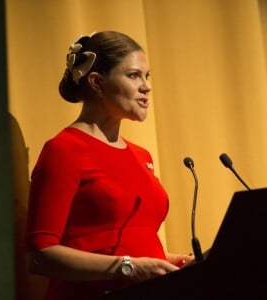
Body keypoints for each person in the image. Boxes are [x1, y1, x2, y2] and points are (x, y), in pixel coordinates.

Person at [25, 31, 194, 300]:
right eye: (133, 75)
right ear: (97, 82)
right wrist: (129, 267)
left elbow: (133, 244)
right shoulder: (64, 150)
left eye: (147, 76)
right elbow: (40, 256)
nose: (146, 86)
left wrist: (178, 263)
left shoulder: (142, 156)